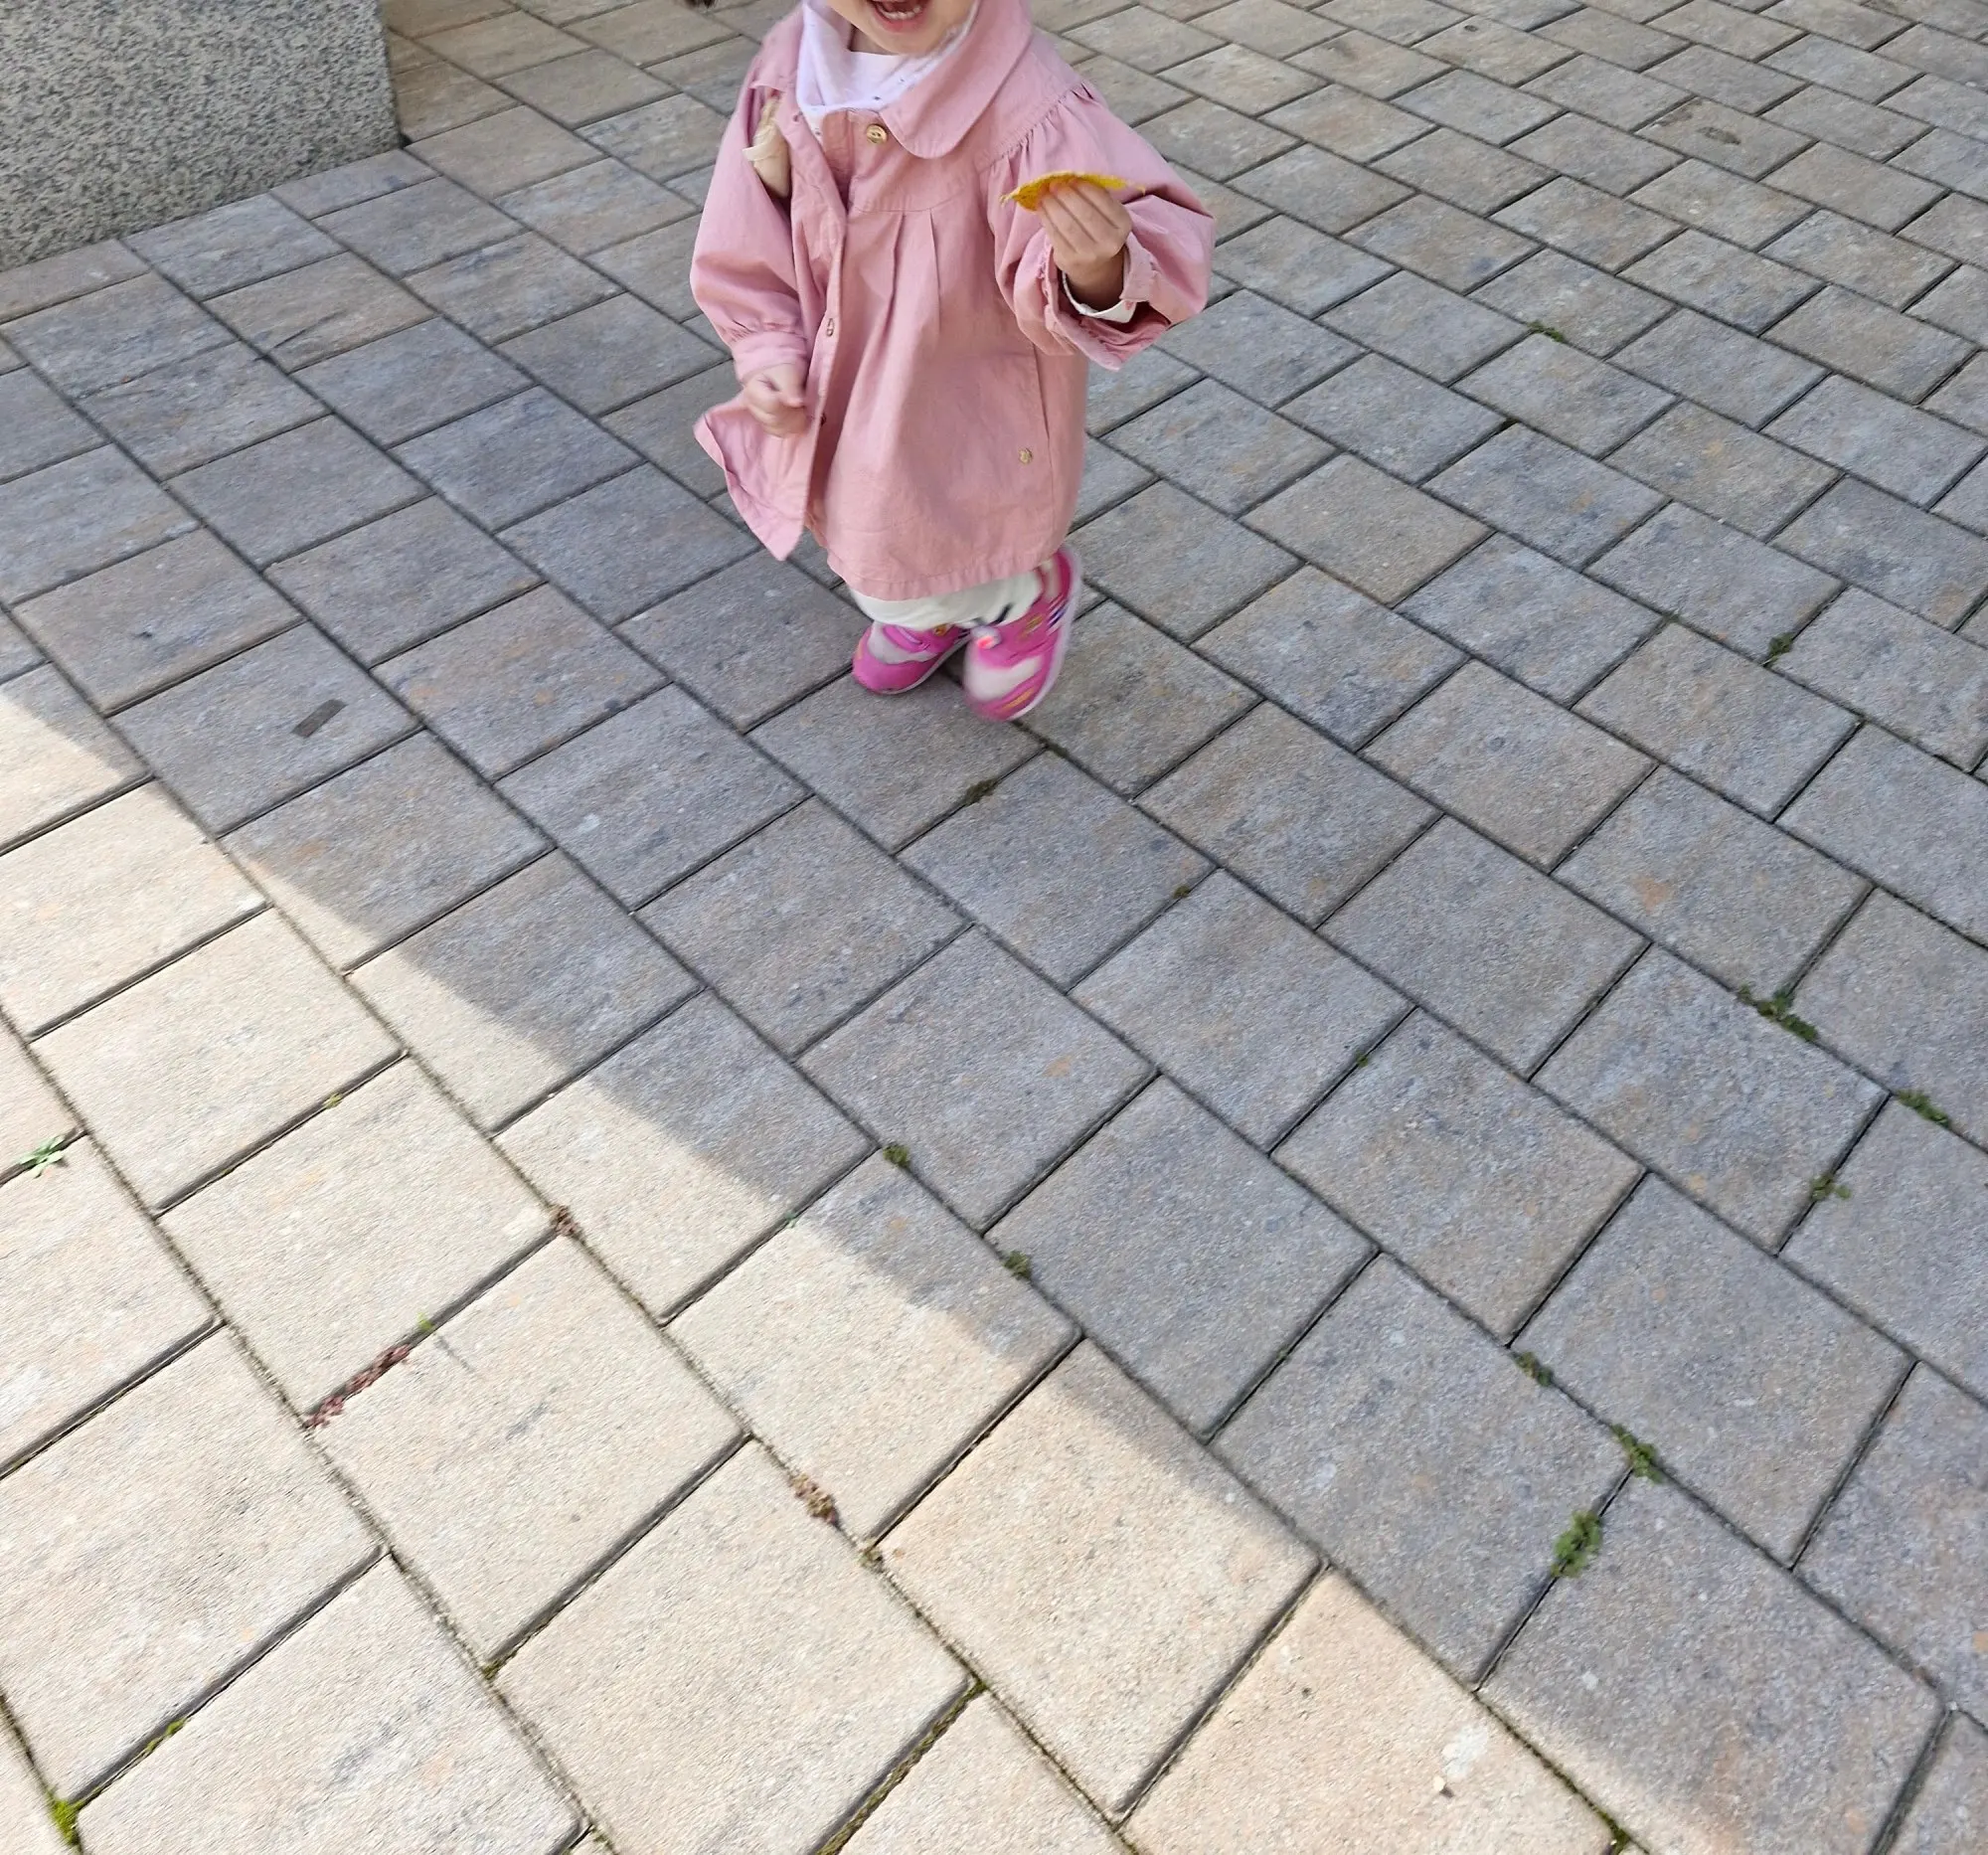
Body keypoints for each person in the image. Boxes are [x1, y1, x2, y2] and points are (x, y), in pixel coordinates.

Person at [690, 0, 1215, 720]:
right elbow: (749, 229)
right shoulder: (792, 66)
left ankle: (1018, 594)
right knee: (874, 527)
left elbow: (1149, 243)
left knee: (892, 543)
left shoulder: (1029, 106)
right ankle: (939, 604)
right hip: (843, 373)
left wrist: (1097, 265)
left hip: (966, 391)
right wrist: (768, 343)